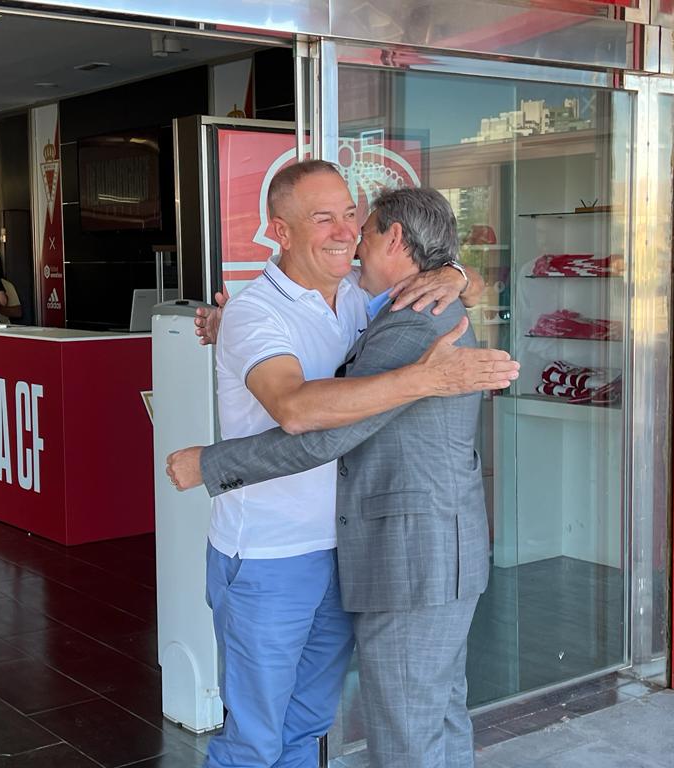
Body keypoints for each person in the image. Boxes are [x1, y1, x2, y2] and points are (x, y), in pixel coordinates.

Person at [170, 160, 517, 768]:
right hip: (270, 558)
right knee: (255, 738)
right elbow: (299, 414)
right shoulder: (257, 313)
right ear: (279, 231)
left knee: (310, 728)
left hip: (345, 551)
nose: (345, 231)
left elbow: (452, 282)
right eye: (322, 217)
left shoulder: (368, 298)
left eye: (352, 215)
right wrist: (424, 379)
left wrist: (457, 275)